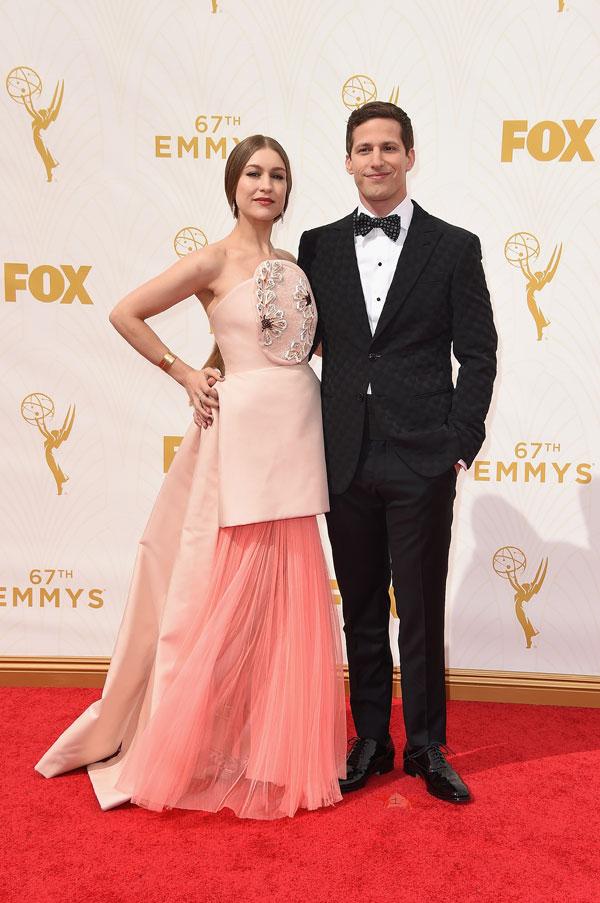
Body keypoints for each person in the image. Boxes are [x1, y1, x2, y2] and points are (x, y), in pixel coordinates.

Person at [35, 135, 346, 820]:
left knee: (289, 590)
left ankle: (272, 746)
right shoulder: (212, 258)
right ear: (233, 183)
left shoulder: (296, 264)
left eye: (278, 175)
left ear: (289, 190)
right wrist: (183, 371)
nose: (266, 184)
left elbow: (297, 342)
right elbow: (125, 311)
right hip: (238, 436)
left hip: (297, 429)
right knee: (216, 591)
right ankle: (190, 742)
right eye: (255, 173)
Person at [298, 102, 497, 804]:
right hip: (343, 452)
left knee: (419, 606)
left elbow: (477, 353)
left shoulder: (453, 245)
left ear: (410, 156)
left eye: (389, 147)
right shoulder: (315, 245)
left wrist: (457, 442)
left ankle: (427, 746)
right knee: (358, 606)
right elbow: (288, 338)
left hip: (421, 456)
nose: (376, 159)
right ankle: (371, 739)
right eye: (363, 148)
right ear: (346, 160)